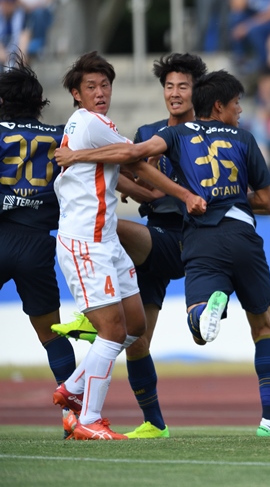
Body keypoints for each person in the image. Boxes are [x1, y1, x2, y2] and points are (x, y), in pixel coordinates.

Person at [55, 70, 270, 437]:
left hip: (190, 237)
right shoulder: (241, 138)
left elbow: (133, 160)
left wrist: (77, 157)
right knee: (138, 334)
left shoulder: (172, 135)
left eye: (183, 86)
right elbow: (263, 200)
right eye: (169, 86)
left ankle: (99, 303)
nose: (175, 92)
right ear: (220, 106)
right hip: (225, 232)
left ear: (197, 95)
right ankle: (261, 420)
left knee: (109, 235)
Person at [52, 53, 209, 439]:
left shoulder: (206, 134)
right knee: (114, 331)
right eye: (91, 87)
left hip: (113, 241)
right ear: (76, 94)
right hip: (89, 241)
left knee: (134, 327)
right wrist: (180, 194)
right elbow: (132, 158)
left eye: (105, 85)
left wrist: (143, 188)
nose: (100, 92)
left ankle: (73, 386)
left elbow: (124, 169)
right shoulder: (94, 123)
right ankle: (89, 419)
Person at [0, 58, 76, 437]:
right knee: (51, 334)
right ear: (39, 103)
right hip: (37, 244)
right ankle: (75, 418)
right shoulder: (60, 136)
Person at [0, 0, 31, 67]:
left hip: (16, 49)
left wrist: (19, 58)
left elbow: (25, 35)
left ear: (14, 4)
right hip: (3, 51)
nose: (6, 6)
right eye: (4, 3)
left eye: (8, 3)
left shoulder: (22, 16)